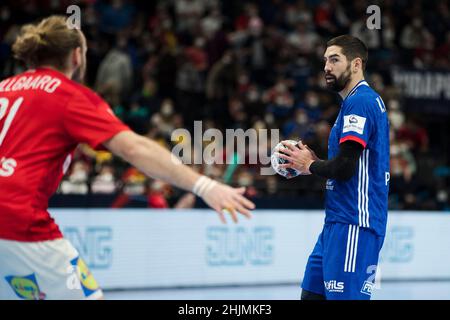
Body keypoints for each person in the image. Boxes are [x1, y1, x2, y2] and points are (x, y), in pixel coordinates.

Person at [0, 16, 255, 300]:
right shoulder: (68, 95)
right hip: (14, 215)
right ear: (76, 56)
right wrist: (204, 185)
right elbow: (134, 148)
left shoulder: (4, 88)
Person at [276, 35, 389, 300]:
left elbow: (346, 167)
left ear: (356, 64)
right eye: (325, 60)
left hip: (355, 223)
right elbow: (346, 163)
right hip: (337, 222)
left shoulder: (359, 102)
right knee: (311, 296)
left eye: (335, 59)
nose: (327, 67)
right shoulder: (354, 102)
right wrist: (313, 163)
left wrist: (311, 164)